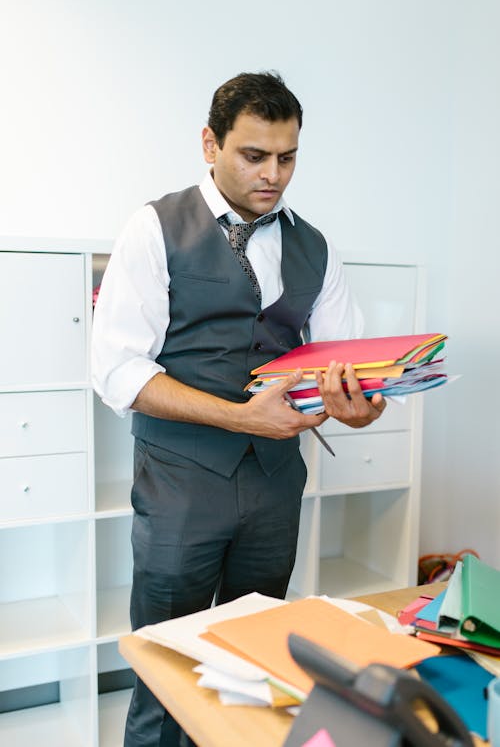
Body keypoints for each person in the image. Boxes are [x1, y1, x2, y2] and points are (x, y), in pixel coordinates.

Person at [92, 70, 386, 747]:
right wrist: (241, 417)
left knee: (254, 666)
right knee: (167, 674)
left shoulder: (316, 246)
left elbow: (352, 374)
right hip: (179, 487)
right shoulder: (153, 228)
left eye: (287, 157)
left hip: (276, 487)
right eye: (255, 155)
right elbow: (117, 371)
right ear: (210, 144)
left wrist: (360, 406)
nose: (273, 174)